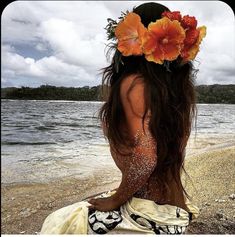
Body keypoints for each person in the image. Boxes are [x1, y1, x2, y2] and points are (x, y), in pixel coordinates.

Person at [40, 2, 206, 234]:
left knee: (58, 222)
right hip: (173, 214)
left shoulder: (134, 85)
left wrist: (117, 199)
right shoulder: (178, 92)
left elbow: (146, 158)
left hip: (149, 215)